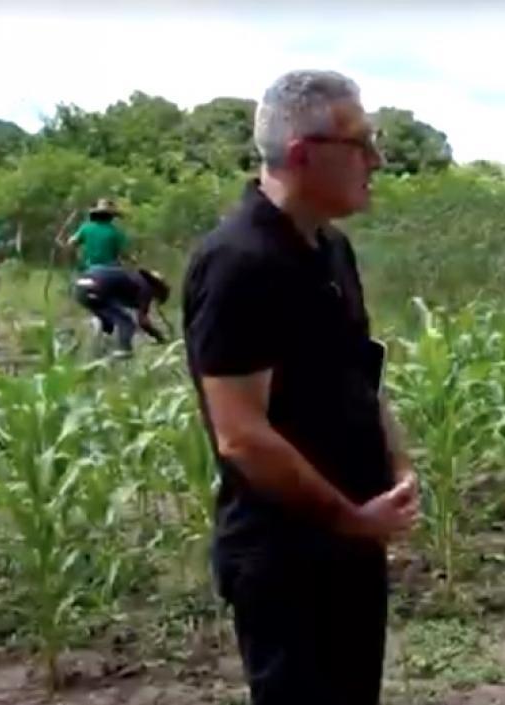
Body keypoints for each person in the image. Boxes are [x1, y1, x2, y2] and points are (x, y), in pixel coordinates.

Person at [181, 69, 418, 705]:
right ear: (301, 153)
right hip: (286, 558)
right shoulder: (239, 262)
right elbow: (242, 436)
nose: (376, 159)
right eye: (361, 143)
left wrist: (394, 464)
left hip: (350, 544)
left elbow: (359, 371)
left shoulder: (330, 248)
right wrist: (350, 516)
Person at [72, 265, 169, 355]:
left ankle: (95, 351)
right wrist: (159, 337)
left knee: (108, 324)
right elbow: (142, 321)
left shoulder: (133, 277)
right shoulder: (146, 287)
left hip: (80, 287)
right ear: (157, 288)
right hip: (95, 289)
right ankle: (124, 351)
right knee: (127, 323)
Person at [60, 198, 129, 271]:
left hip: (89, 269)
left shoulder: (85, 228)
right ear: (111, 216)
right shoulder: (116, 232)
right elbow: (124, 253)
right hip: (110, 270)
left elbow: (71, 243)